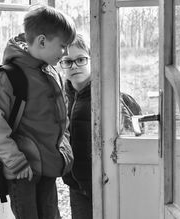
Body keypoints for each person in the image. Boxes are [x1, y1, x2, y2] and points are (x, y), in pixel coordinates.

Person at [0, 4, 75, 219]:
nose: (66, 52)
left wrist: (63, 150)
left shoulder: (51, 74)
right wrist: (16, 162)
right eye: (63, 46)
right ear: (42, 41)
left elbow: (61, 119)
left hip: (48, 166)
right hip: (23, 171)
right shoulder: (9, 78)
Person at [60, 34, 142, 219]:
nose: (74, 66)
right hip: (77, 184)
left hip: (107, 183)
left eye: (80, 59)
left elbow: (131, 140)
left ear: (93, 59)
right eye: (67, 61)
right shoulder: (62, 99)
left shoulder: (110, 97)